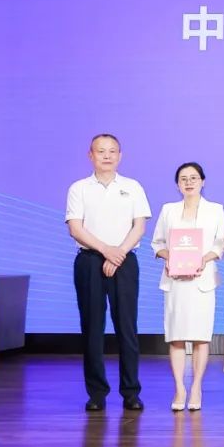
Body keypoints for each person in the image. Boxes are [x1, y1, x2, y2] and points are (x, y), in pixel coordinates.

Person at [66, 134, 151, 411]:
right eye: (101, 151)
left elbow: (139, 227)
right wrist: (106, 251)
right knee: (92, 328)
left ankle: (131, 392)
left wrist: (118, 254)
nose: (107, 156)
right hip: (90, 261)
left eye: (112, 151)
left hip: (124, 261)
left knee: (127, 327)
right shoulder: (79, 188)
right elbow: (75, 228)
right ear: (90, 155)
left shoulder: (132, 186)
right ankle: (96, 393)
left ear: (120, 156)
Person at [151, 162, 224, 411]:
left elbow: (220, 244)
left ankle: (196, 388)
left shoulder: (215, 210)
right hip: (176, 281)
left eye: (194, 178)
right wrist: (169, 256)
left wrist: (204, 259)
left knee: (201, 337)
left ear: (203, 181)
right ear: (177, 184)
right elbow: (157, 243)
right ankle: (179, 388)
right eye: (183, 178)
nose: (189, 182)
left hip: (202, 281)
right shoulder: (169, 210)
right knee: (176, 337)